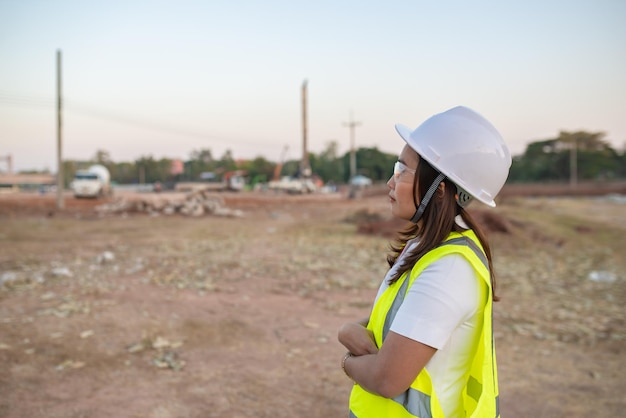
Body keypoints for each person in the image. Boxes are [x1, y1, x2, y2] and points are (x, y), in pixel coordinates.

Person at [338, 106, 511, 418]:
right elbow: (402, 319)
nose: (392, 182)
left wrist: (348, 361)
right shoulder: (426, 245)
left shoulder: (449, 269)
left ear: (440, 190)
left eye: (403, 171)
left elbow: (386, 379)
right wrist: (352, 329)